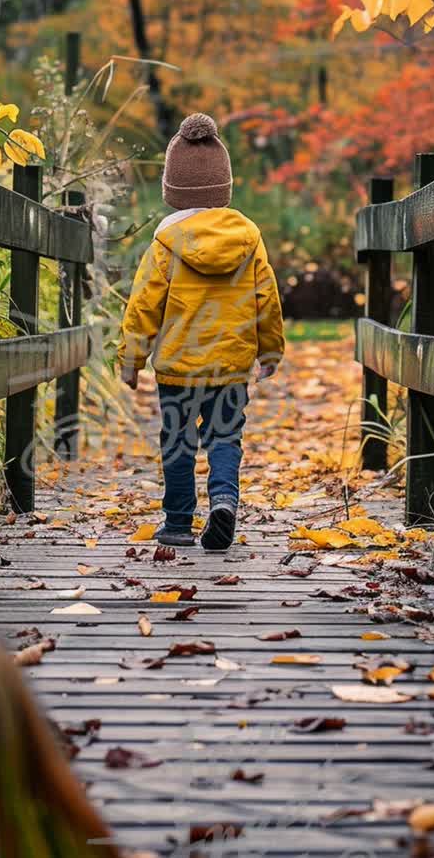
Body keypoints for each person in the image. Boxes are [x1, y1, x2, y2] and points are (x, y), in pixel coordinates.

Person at [118, 113, 284, 550]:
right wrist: (270, 353)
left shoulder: (166, 242)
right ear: (224, 186)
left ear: (172, 190)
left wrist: (131, 359)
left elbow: (143, 306)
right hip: (230, 365)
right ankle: (224, 501)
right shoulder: (248, 238)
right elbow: (266, 298)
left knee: (178, 440)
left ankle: (176, 523)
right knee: (226, 436)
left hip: (178, 368)